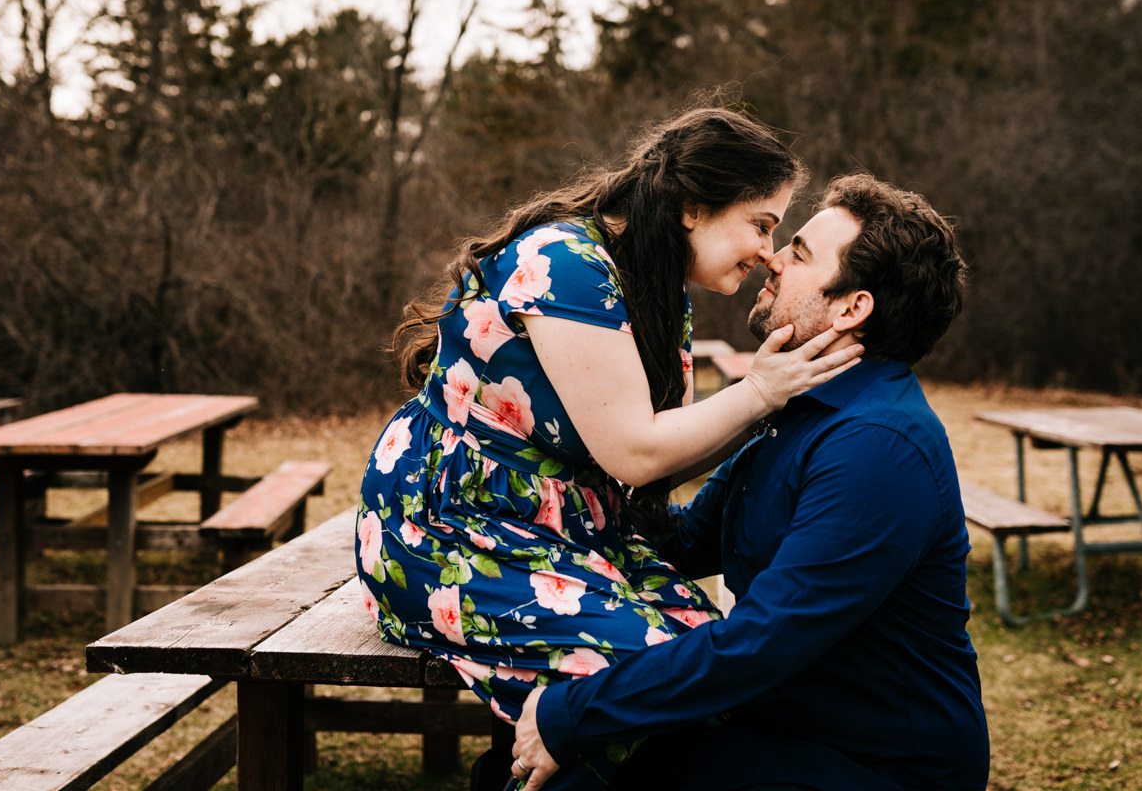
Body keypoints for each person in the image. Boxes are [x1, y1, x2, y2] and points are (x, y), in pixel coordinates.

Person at [353, 108, 864, 789]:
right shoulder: (566, 261)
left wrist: (777, 406)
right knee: (640, 675)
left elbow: (668, 450)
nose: (769, 253)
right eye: (762, 224)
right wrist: (760, 392)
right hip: (449, 531)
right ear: (692, 206)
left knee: (698, 663)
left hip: (564, 530)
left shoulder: (656, 289)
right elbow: (635, 454)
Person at [510, 172, 988, 791]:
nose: (773, 256)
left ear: (852, 307)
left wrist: (573, 714)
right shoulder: (801, 410)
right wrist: (545, 497)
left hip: (871, 763)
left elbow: (765, 639)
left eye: (800, 252)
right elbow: (685, 541)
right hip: (777, 728)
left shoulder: (879, 446)